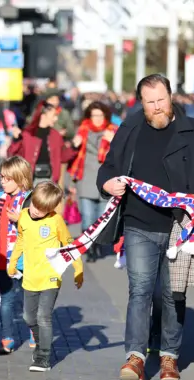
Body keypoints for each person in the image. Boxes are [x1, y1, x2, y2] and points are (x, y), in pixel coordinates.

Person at [96, 74, 194, 380]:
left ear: (172, 98)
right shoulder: (130, 128)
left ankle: (169, 354)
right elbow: (109, 166)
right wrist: (107, 183)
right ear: (141, 103)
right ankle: (136, 357)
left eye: (161, 100)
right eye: (150, 102)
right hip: (138, 223)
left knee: (171, 293)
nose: (157, 107)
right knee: (140, 290)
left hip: (179, 227)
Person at [7, 181, 84, 372]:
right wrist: (13, 261)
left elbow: (69, 245)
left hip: (51, 276)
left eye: (41, 210)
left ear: (50, 209)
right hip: (30, 276)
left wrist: (78, 269)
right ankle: (41, 344)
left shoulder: (56, 221)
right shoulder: (24, 216)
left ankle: (43, 357)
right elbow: (21, 241)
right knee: (28, 317)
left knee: (43, 316)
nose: (35, 211)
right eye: (34, 205)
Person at [0, 156, 34, 354]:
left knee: (29, 299)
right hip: (3, 257)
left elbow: (41, 227)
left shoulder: (30, 199)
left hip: (24, 259)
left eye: (7, 178)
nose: (2, 181)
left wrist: (21, 219)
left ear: (20, 179)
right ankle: (7, 338)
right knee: (7, 299)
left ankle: (34, 331)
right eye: (1, 176)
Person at [68, 101, 117, 263]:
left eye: (100, 115)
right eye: (93, 115)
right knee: (87, 217)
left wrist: (114, 142)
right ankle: (89, 247)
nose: (96, 119)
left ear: (105, 116)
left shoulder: (113, 132)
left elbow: (122, 156)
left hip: (106, 181)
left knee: (100, 218)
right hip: (85, 179)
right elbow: (72, 158)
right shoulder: (82, 131)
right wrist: (74, 146)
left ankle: (96, 244)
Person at [8, 101, 75, 185]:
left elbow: (62, 156)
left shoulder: (56, 135)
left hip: (50, 180)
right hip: (30, 181)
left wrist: (74, 147)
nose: (56, 119)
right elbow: (12, 154)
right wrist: (16, 139)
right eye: (53, 116)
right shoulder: (27, 134)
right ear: (43, 116)